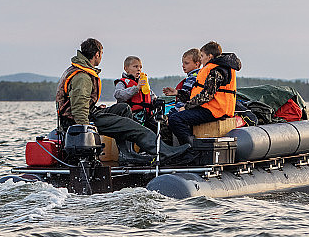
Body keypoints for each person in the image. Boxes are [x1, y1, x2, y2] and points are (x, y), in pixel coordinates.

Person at [55, 38, 189, 162]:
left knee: (123, 108)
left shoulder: (76, 69)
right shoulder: (82, 76)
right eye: (101, 54)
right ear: (97, 54)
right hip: (79, 122)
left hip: (88, 114)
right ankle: (164, 152)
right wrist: (87, 133)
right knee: (134, 127)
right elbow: (79, 109)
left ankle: (126, 153)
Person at [167, 41, 242, 145]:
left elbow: (207, 95)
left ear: (209, 56)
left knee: (175, 119)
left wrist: (187, 107)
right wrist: (178, 93)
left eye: (202, 56)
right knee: (174, 115)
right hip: (211, 108)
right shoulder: (217, 67)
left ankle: (191, 149)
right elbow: (200, 93)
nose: (201, 60)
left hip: (215, 111)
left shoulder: (217, 70)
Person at [113, 55, 158, 132]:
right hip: (131, 117)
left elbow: (152, 96)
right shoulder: (122, 83)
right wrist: (136, 88)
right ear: (126, 69)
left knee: (158, 129)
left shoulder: (143, 83)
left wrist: (156, 100)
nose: (139, 69)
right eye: (135, 66)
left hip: (147, 117)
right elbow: (118, 94)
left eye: (140, 67)